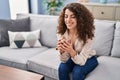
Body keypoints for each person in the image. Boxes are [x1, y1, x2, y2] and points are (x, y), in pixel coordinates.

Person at [56, 3, 98, 80]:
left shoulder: (88, 35)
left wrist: (71, 50)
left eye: (73, 17)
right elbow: (64, 60)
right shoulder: (61, 33)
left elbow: (82, 61)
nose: (68, 20)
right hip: (73, 58)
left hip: (88, 58)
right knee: (62, 68)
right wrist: (62, 51)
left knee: (77, 72)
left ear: (80, 18)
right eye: (66, 16)